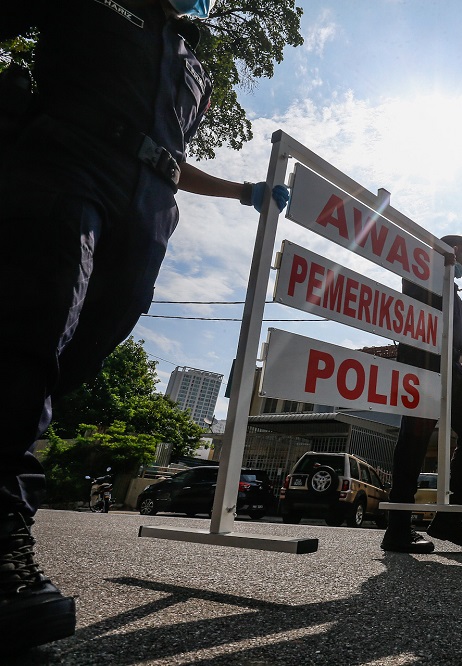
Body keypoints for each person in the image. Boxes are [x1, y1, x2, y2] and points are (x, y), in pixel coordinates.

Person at [0, 1, 290, 652]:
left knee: (69, 356)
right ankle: (3, 540)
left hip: (148, 207)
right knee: (31, 331)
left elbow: (171, 153)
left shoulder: (194, 66)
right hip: (66, 162)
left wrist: (243, 192)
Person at [381, 235, 462, 554]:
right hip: (422, 364)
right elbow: (408, 292)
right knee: (415, 440)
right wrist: (433, 261)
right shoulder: (422, 274)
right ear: (441, 253)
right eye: (460, 252)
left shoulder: (455, 294)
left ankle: (447, 514)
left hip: (452, 368)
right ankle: (398, 527)